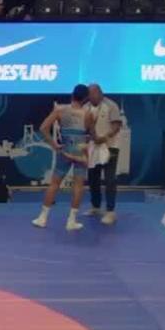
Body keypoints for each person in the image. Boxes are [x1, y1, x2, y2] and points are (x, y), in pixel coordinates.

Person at [33, 85, 94, 232]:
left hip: (64, 151)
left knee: (54, 184)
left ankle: (42, 218)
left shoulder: (60, 110)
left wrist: (54, 145)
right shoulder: (88, 114)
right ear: (86, 99)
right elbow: (91, 134)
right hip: (80, 152)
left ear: (72, 95)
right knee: (78, 185)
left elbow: (43, 128)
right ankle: (71, 221)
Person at [84, 83, 125, 225]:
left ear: (100, 93)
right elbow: (85, 126)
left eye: (92, 94)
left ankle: (110, 211)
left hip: (110, 147)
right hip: (93, 147)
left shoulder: (111, 105)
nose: (90, 97)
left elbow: (116, 126)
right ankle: (95, 206)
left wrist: (104, 138)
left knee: (110, 178)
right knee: (92, 177)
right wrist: (90, 137)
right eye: (88, 95)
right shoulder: (86, 107)